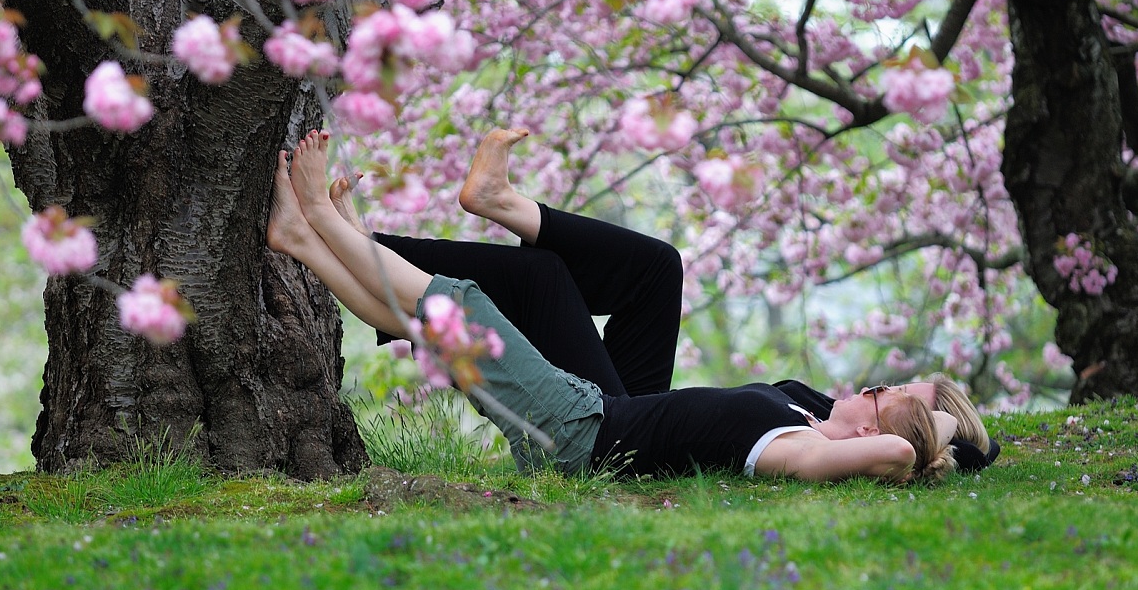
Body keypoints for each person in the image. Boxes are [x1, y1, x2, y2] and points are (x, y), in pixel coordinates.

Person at [267, 130, 957, 484]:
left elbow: (899, 452)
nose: (868, 388)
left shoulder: (803, 449)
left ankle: (324, 228)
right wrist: (906, 430)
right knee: (465, 312)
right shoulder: (803, 414)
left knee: (461, 306)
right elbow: (896, 439)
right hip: (597, 417)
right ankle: (307, 237)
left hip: (580, 433)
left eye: (880, 398)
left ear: (872, 441)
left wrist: (921, 446)